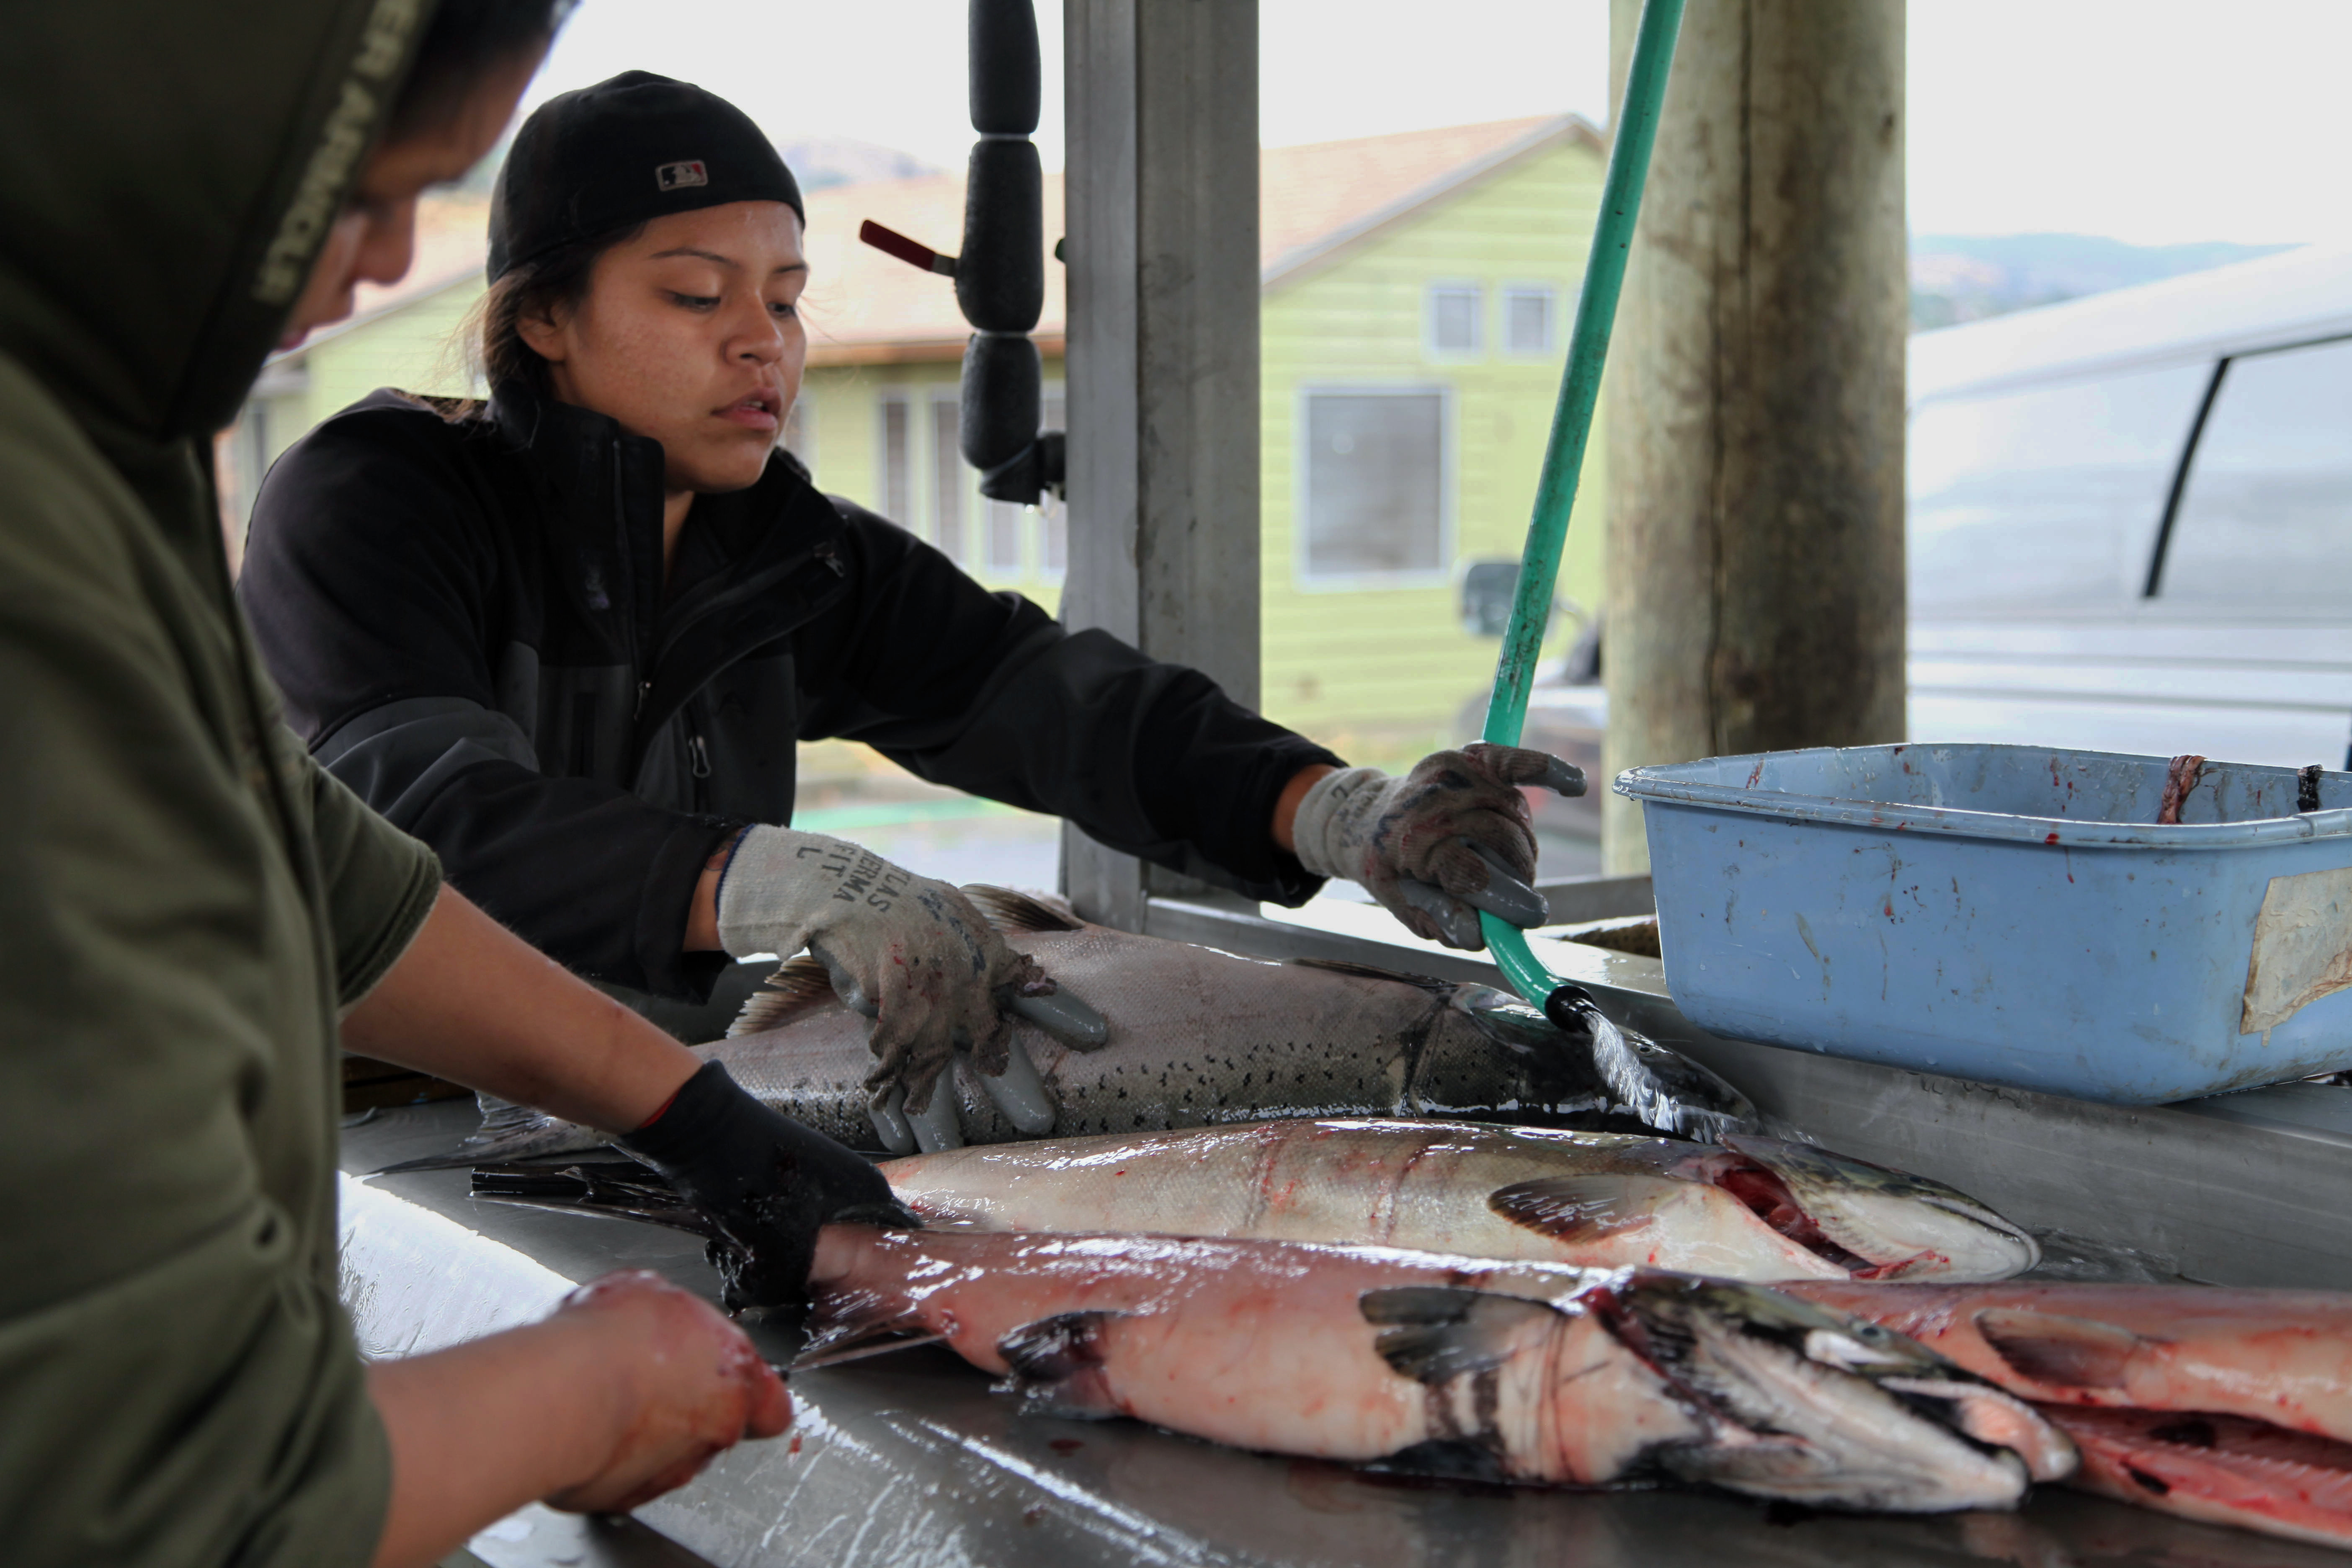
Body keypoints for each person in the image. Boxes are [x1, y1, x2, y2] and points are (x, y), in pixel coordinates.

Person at [238, 72, 1586, 1152]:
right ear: (541, 320)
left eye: (785, 298)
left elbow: (1048, 698)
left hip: (668, 1111)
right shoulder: (377, 500)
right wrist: (769, 879)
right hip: (350, 1121)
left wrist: (1335, 810)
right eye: (695, 295)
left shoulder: (781, 550)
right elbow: (407, 815)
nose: (761, 342)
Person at [0, 5, 914, 1565]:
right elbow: (156, 1504)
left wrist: (692, 1117)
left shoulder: (100, 437)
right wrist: (591, 1389)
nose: (379, 259)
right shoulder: (246, 504)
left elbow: (310, 876)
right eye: (352, 191)